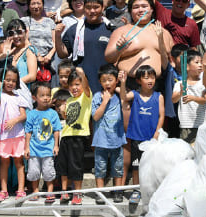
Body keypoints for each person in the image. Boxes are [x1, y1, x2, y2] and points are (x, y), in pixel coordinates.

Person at [120, 66, 164, 205]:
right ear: (139, 80)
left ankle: (151, 190)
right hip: (136, 138)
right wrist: (122, 82)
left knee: (152, 166)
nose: (150, 80)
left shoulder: (159, 96)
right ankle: (136, 190)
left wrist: (157, 132)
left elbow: (161, 115)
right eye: (146, 77)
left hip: (152, 139)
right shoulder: (135, 94)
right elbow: (123, 97)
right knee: (136, 166)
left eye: (152, 77)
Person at [106, 0, 173, 81]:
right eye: (136, 7)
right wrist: (118, 50)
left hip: (158, 86)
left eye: (144, 6)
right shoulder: (121, 31)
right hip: (129, 85)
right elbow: (108, 58)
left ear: (152, 9)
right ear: (130, 11)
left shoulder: (164, 32)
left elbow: (173, 60)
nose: (140, 10)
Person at [56, 0, 113, 95]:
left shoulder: (111, 29)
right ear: (83, 8)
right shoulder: (75, 30)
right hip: (81, 86)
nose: (92, 11)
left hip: (106, 86)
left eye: (96, 7)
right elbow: (62, 54)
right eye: (88, 8)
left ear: (103, 8)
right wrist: (57, 36)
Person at [91, 64, 126, 204]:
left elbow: (125, 97)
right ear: (100, 82)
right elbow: (95, 117)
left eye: (110, 79)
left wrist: (123, 83)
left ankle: (118, 191)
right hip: (101, 140)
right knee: (100, 167)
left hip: (117, 139)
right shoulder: (97, 97)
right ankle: (100, 192)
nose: (107, 83)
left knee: (117, 167)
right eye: (104, 80)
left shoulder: (118, 96)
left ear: (116, 80)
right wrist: (104, 102)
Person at [0, 66, 29, 201]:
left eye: (13, 81)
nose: (10, 83)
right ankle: (4, 190)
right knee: (4, 163)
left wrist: (15, 120)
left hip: (18, 135)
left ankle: (20, 190)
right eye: (7, 80)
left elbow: (23, 115)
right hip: (3, 136)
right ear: (2, 80)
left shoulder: (19, 96)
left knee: (19, 163)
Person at [59, 67, 92, 205]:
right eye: (71, 85)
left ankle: (77, 193)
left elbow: (86, 86)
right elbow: (68, 119)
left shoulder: (86, 96)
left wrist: (82, 74)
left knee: (76, 166)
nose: (74, 87)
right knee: (63, 166)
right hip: (66, 135)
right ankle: (64, 191)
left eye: (77, 84)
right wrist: (62, 112)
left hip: (79, 136)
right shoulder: (69, 100)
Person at [25, 82, 61, 203]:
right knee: (34, 171)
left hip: (48, 149)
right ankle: (35, 191)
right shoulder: (32, 114)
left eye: (48, 95)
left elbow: (56, 130)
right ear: (35, 98)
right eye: (42, 95)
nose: (46, 98)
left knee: (48, 171)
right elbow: (28, 132)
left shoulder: (53, 113)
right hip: (34, 149)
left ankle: (49, 191)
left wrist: (56, 145)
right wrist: (26, 148)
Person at [172, 49, 206, 143]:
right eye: (197, 62)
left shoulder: (204, 82)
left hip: (202, 124)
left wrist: (193, 98)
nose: (200, 65)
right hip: (186, 124)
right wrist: (181, 92)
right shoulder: (180, 84)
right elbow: (173, 100)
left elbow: (204, 100)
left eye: (201, 62)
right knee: (187, 151)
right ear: (187, 67)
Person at [22, 0, 58, 78]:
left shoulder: (50, 21)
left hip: (49, 60)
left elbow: (55, 41)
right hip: (31, 60)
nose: (36, 6)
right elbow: (25, 40)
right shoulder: (24, 21)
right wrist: (37, 56)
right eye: (33, 4)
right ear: (28, 5)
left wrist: (49, 55)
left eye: (38, 3)